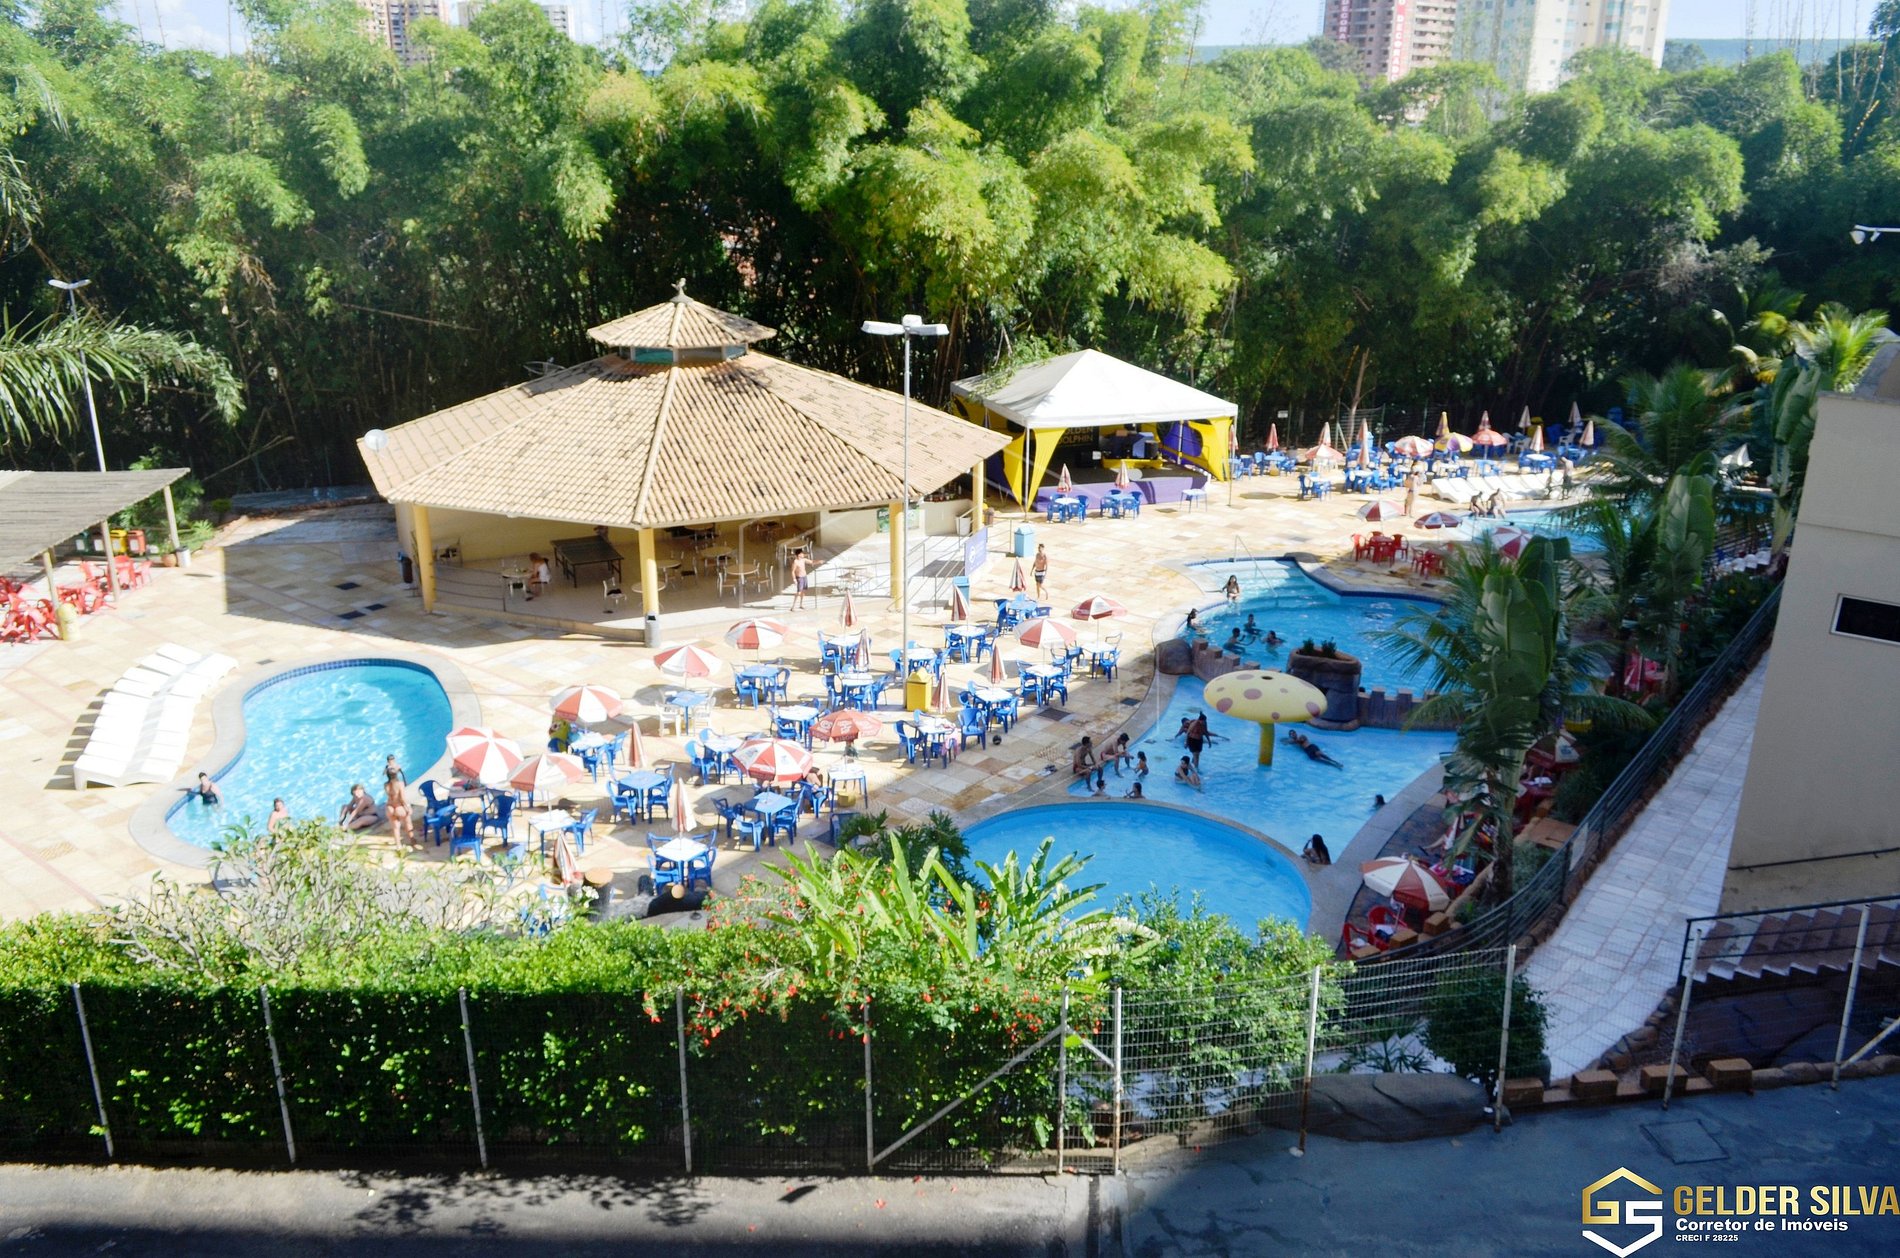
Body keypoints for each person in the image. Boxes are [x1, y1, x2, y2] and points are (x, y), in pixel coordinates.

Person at [385, 772, 414, 844]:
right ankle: (412, 840)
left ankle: (398, 845)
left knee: (395, 827)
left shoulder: (386, 785)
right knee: (408, 823)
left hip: (390, 807)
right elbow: (402, 798)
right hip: (399, 806)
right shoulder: (400, 783)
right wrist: (407, 808)